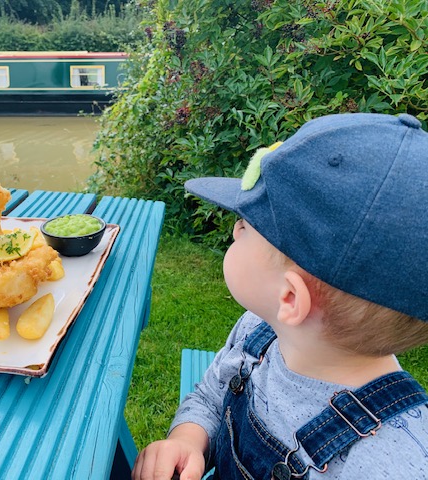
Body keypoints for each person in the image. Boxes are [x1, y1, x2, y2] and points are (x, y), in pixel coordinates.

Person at [132, 113, 428, 480]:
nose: (235, 228)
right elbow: (212, 395)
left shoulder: (391, 464)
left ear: (289, 298)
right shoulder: (259, 331)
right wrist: (189, 440)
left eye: (245, 225)